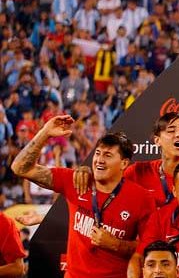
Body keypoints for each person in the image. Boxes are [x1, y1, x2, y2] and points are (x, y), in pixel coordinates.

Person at [12, 115, 155, 277]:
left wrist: (117, 244)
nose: (100, 160)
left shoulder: (141, 198)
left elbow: (150, 247)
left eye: (108, 155)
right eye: (98, 153)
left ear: (124, 163)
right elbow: (20, 168)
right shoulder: (76, 181)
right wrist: (44, 133)